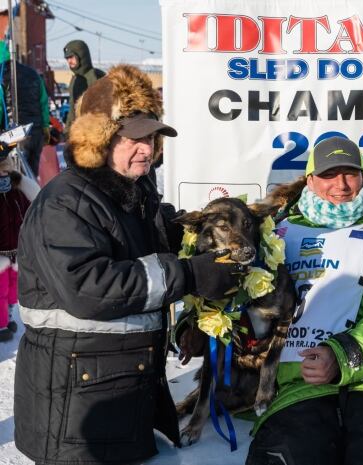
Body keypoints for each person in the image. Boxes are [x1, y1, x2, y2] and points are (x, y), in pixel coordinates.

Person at [13, 64, 245, 465]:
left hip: (115, 390)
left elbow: (146, 240)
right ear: (100, 138)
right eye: (133, 138)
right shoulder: (66, 201)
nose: (147, 148)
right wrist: (191, 274)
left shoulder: (133, 190)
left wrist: (204, 232)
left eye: (152, 137)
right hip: (76, 411)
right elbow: (90, 288)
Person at [243, 136, 363, 465]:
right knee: (286, 455)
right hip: (297, 384)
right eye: (330, 174)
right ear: (310, 179)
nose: (342, 185)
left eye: (351, 173)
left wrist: (342, 355)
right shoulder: (275, 235)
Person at [0, 143, 39, 342]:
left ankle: (7, 315)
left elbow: (31, 208)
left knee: (13, 289)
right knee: (0, 289)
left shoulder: (19, 188)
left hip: (18, 249)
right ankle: (1, 324)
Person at [0, 40, 50, 177]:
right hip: (36, 133)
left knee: (17, 182)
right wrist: (45, 126)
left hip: (14, 137)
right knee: (32, 178)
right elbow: (44, 102)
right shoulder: (32, 73)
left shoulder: (1, 76)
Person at [63, 39, 105, 129]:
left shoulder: (97, 76)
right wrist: (67, 131)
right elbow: (72, 109)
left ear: (81, 56)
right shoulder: (75, 79)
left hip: (95, 130)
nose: (69, 61)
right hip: (78, 130)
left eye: (71, 57)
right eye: (67, 58)